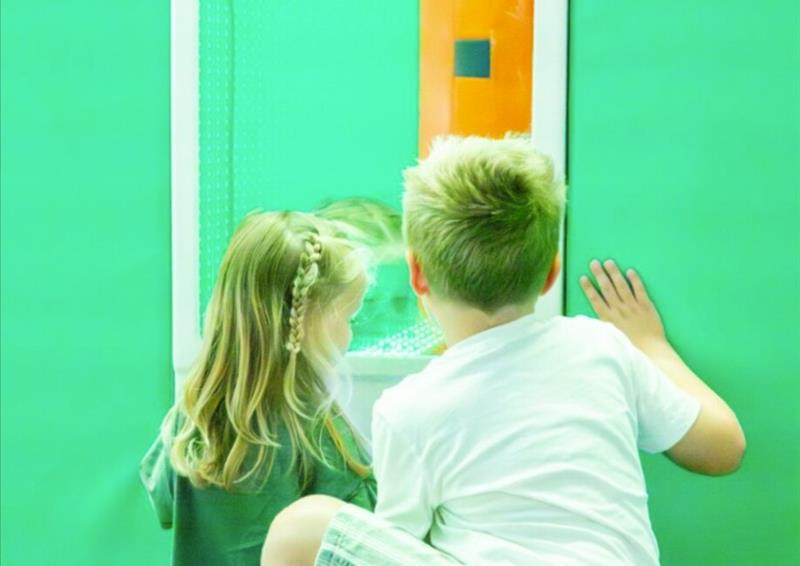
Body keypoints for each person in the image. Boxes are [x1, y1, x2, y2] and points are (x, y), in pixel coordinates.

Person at [262, 136, 746, 566]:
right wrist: (652, 346)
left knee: (304, 526)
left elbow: (401, 538)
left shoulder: (407, 407)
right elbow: (724, 448)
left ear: (417, 275)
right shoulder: (603, 348)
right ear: (551, 272)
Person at [141, 210, 377, 565]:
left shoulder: (191, 418)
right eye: (347, 317)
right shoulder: (316, 431)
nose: (350, 333)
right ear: (306, 321)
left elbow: (162, 501)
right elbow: (365, 530)